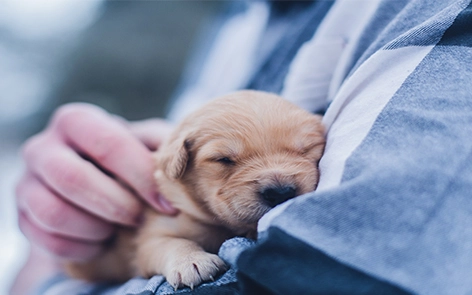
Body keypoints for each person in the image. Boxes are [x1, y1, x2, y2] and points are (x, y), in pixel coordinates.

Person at [12, 0, 472, 294]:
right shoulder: (235, 21)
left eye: (305, 148)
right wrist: (53, 228)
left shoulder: (434, 16)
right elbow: (149, 249)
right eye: (225, 161)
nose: (277, 180)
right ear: (179, 165)